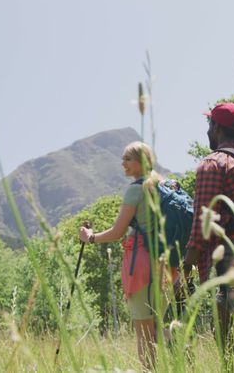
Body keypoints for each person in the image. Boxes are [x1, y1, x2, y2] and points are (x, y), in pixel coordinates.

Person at [79, 141, 175, 370]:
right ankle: (173, 334)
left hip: (142, 263)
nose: (122, 163)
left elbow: (117, 232)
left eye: (127, 159)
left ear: (141, 161)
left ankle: (172, 338)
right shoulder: (167, 185)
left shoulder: (137, 189)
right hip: (168, 264)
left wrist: (90, 237)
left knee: (144, 331)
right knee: (154, 325)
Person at [182, 102, 234, 356]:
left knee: (225, 334)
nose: (208, 131)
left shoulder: (213, 164)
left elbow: (202, 224)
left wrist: (186, 266)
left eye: (210, 124)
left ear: (218, 127)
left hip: (228, 266)